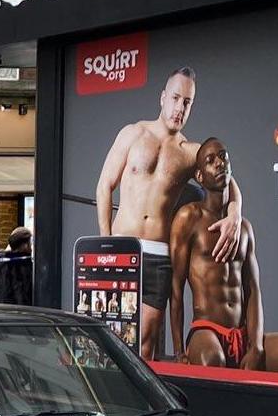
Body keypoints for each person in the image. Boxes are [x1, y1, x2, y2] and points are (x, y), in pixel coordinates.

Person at [95, 67, 242, 357]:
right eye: (175, 98)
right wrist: (105, 244)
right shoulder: (133, 133)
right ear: (163, 97)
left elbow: (230, 181)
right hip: (122, 248)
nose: (179, 108)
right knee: (109, 339)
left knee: (145, 342)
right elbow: (103, 187)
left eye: (187, 102)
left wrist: (234, 214)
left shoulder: (190, 152)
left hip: (157, 256)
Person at [169, 139, 278, 371]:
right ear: (200, 177)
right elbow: (176, 288)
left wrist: (256, 346)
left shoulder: (244, 228)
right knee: (213, 360)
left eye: (223, 156)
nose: (220, 163)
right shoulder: (189, 218)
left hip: (243, 334)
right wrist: (179, 351)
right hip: (206, 332)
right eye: (211, 161)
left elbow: (252, 290)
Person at [0, 226, 33, 307]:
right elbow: (22, 294)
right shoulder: (22, 264)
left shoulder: (0, 261)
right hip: (17, 311)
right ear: (25, 245)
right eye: (30, 242)